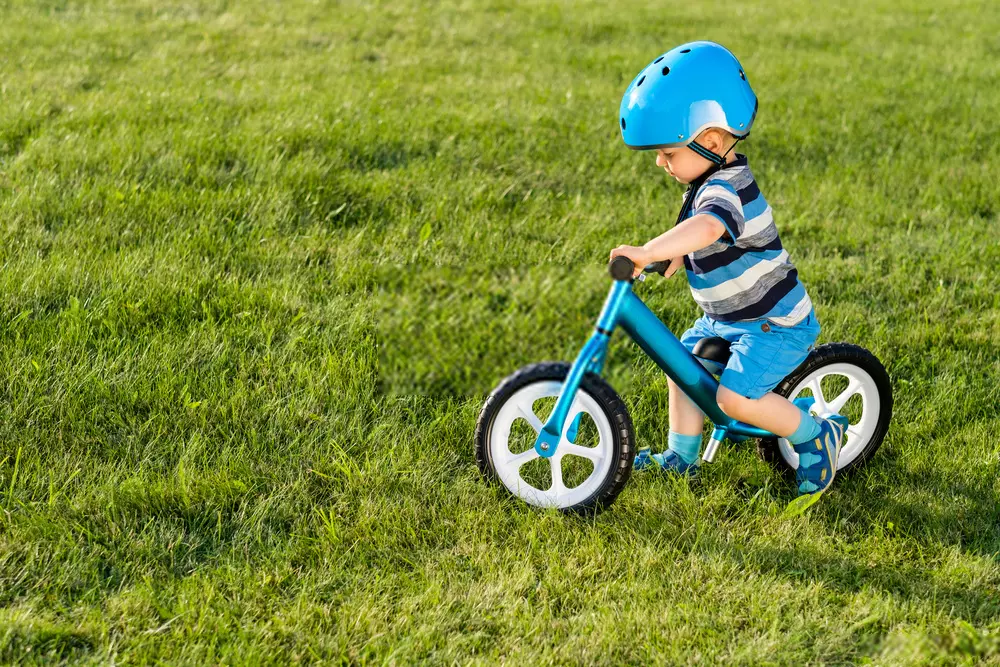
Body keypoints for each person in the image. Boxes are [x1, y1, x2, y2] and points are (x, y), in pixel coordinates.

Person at [609, 41, 845, 510]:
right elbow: (698, 239)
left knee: (736, 402)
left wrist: (650, 249)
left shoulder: (728, 188)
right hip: (728, 319)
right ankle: (683, 456)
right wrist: (670, 258)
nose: (661, 162)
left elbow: (710, 226)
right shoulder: (705, 181)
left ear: (712, 143)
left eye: (668, 152)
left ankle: (817, 434)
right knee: (681, 365)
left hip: (772, 324)